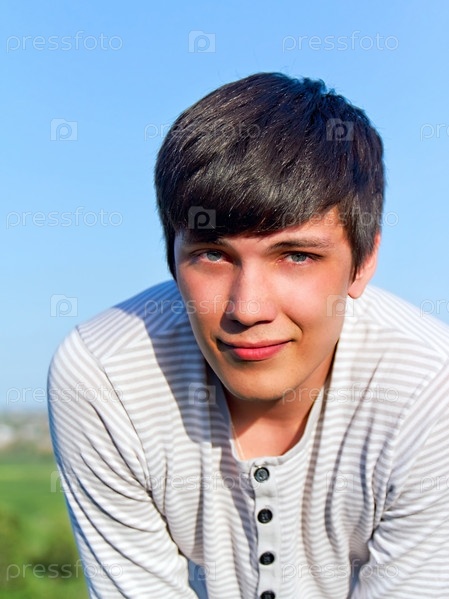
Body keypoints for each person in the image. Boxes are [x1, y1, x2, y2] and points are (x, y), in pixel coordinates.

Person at [48, 72, 449, 599]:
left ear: (364, 261)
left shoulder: (429, 387)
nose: (248, 308)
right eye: (213, 254)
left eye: (297, 256)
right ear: (171, 257)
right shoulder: (105, 378)